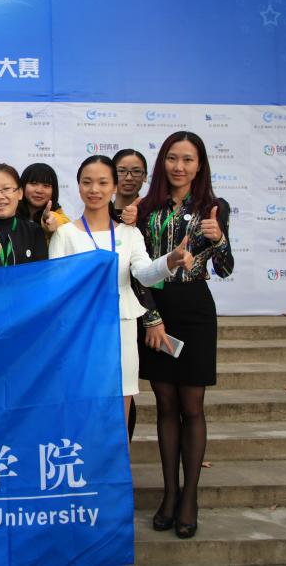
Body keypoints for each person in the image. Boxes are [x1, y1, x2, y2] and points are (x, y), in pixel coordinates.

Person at [128, 131, 234, 540]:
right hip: (156, 310)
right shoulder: (145, 208)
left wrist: (219, 239)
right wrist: (152, 317)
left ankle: (190, 496)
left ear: (200, 165)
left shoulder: (213, 207)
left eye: (188, 159)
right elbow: (136, 270)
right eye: (173, 158)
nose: (179, 166)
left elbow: (224, 268)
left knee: (192, 406)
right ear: (163, 162)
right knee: (165, 404)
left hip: (195, 310)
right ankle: (169, 494)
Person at [48, 155, 192, 436]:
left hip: (121, 327)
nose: (94, 189)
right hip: (80, 332)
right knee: (80, 408)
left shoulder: (130, 233)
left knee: (119, 407)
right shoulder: (64, 234)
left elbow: (145, 274)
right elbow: (56, 290)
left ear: (114, 187)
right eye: (87, 182)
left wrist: (170, 261)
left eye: (103, 183)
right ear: (78, 186)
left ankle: (117, 464)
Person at [112, 148, 160, 441]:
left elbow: (145, 270)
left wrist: (153, 317)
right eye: (122, 171)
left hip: (149, 308)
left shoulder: (154, 216)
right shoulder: (98, 214)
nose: (129, 177)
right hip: (115, 314)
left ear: (145, 177)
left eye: (136, 172)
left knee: (131, 386)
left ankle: (123, 452)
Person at [19, 162, 70, 243]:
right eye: (33, 184)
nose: (39, 190)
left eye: (46, 186)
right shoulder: (10, 213)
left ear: (54, 191)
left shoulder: (59, 217)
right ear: (22, 186)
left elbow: (62, 222)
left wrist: (49, 222)